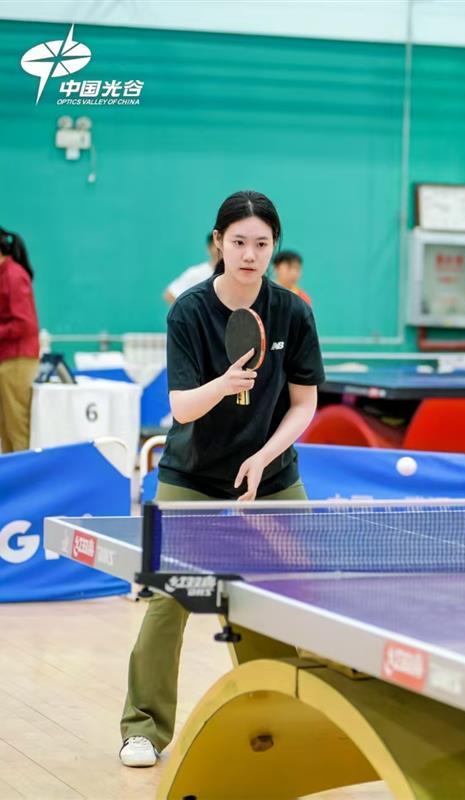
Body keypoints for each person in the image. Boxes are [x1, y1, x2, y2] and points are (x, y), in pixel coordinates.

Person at [119, 191, 325, 768]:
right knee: (169, 596)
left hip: (270, 472)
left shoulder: (293, 312)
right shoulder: (189, 311)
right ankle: (143, 727)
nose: (250, 254)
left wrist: (264, 456)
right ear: (218, 243)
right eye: (239, 242)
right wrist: (225, 383)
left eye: (262, 243)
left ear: (274, 246)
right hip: (194, 474)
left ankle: (276, 725)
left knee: (288, 594)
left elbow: (304, 403)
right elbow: (182, 407)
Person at [0, 224, 39, 453]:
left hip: (18, 360)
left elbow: (25, 323)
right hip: (6, 359)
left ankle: (23, 473)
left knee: (17, 430)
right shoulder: (1, 275)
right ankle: (12, 472)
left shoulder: (14, 275)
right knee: (4, 428)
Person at [163, 233, 220, 304]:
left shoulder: (231, 273)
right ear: (209, 248)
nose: (221, 249)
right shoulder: (197, 273)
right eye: (216, 245)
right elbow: (170, 295)